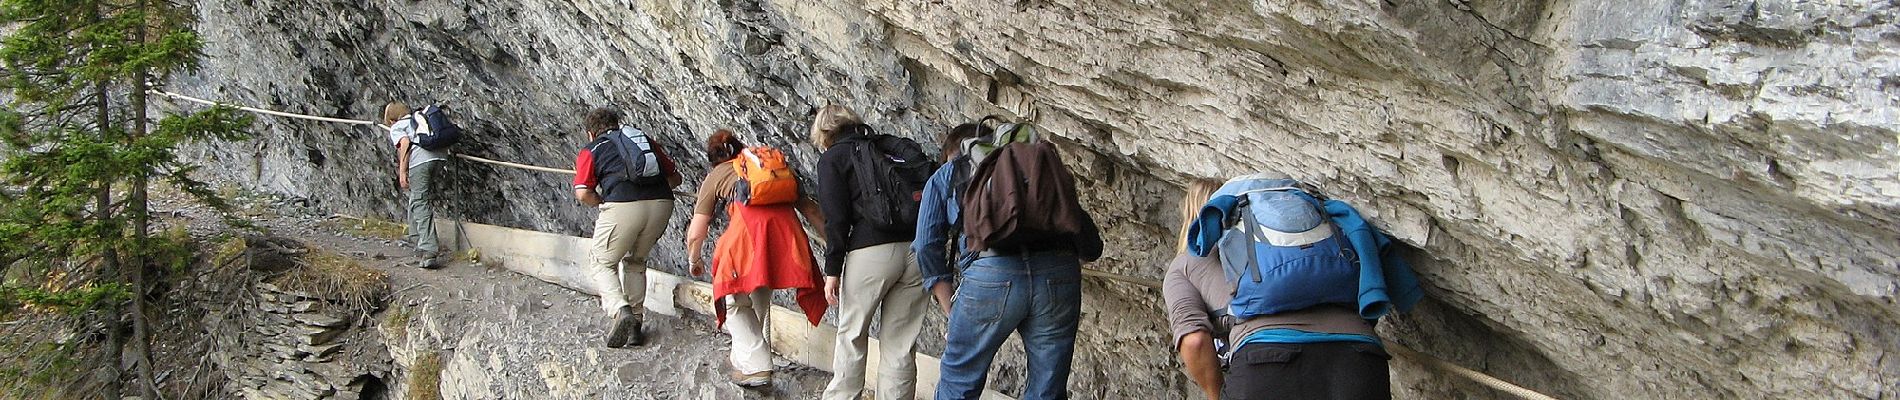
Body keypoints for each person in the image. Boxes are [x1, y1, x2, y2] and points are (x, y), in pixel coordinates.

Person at [1163, 174, 1393, 400]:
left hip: (1266, 360)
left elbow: (1195, 341)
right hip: (1361, 356)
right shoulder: (1316, 236)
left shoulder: (1186, 264)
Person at [925, 122, 1104, 400]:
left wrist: (950, 307)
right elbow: (1088, 242)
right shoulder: (1038, 169)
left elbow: (926, 243)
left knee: (959, 381)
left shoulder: (951, 172)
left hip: (990, 274)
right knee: (1048, 387)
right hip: (1058, 272)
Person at [682, 129, 830, 388]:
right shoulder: (775, 171)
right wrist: (837, 246)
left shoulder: (718, 174)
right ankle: (744, 360)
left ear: (714, 158)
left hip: (748, 235)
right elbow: (811, 210)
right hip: (786, 236)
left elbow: (697, 231)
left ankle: (757, 365)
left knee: (735, 301)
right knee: (759, 291)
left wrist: (694, 259)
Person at [811, 105, 928, 400]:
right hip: (917, 249)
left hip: (871, 250)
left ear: (824, 133)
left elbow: (836, 220)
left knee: (852, 333)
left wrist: (832, 270)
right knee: (901, 343)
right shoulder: (885, 147)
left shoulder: (833, 159)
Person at [571, 107, 682, 348]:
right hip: (662, 203)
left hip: (623, 206)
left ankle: (620, 310)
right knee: (636, 260)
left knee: (601, 262)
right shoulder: (642, 140)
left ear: (591, 133)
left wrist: (603, 202)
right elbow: (675, 178)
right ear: (617, 123)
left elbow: (582, 194)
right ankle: (635, 328)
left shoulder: (592, 150)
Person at [912, 122, 991, 315]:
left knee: (964, 344)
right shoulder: (1023, 163)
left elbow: (925, 245)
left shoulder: (946, 173)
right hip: (1054, 268)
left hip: (988, 268)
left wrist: (951, 313)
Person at [384, 102, 447, 269]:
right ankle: (415, 236)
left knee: (420, 201)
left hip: (421, 160)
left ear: (391, 120)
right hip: (439, 156)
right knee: (417, 196)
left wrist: (402, 172)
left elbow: (404, 144)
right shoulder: (417, 121)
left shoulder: (397, 127)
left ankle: (429, 249)